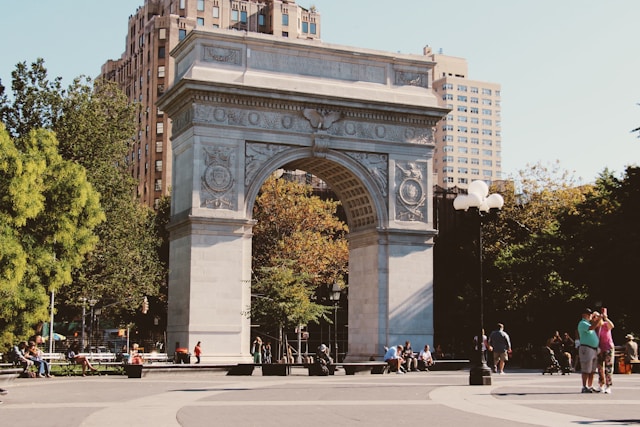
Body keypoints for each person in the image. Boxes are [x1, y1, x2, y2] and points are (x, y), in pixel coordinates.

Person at [577, 308, 599, 393]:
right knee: (586, 369)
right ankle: (584, 386)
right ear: (584, 315)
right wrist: (599, 318)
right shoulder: (582, 323)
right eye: (589, 314)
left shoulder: (588, 323)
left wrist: (596, 319)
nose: (591, 316)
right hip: (586, 348)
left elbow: (595, 325)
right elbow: (592, 327)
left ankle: (590, 386)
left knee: (592, 370)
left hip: (593, 348)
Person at [594, 309, 615, 393]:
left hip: (608, 347)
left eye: (596, 316)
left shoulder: (605, 325)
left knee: (608, 367)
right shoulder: (595, 328)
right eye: (593, 317)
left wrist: (606, 318)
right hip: (599, 349)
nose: (594, 318)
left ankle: (608, 386)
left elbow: (612, 326)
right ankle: (601, 384)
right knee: (600, 368)